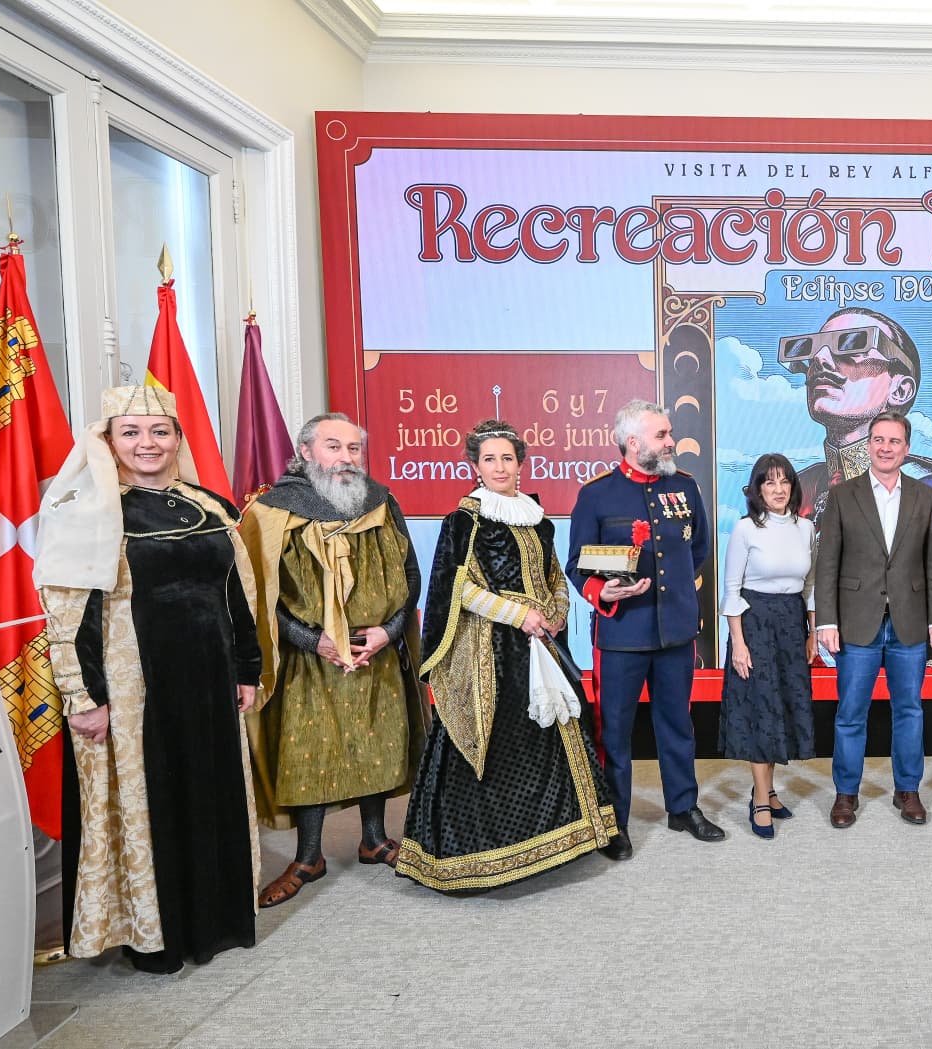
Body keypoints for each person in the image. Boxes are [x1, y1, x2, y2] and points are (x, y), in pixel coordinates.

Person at [35, 385, 260, 974]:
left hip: (209, 681)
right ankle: (157, 936)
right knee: (151, 803)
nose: (147, 443)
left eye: (159, 431)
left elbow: (237, 593)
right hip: (134, 688)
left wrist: (247, 668)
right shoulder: (90, 513)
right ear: (108, 441)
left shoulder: (209, 506)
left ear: (179, 440)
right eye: (130, 432)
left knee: (209, 791)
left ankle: (213, 920)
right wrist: (83, 697)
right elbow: (69, 614)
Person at [397, 420, 624, 891]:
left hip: (543, 642)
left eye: (507, 458)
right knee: (496, 741)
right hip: (492, 651)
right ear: (476, 467)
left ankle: (567, 837)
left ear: (521, 463)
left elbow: (553, 575)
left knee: (558, 733)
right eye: (489, 459)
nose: (500, 467)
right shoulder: (466, 518)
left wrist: (558, 611)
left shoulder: (535, 516)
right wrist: (518, 616)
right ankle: (482, 857)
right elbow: (458, 588)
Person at [239, 413, 428, 906]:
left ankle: (374, 839)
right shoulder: (272, 510)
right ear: (306, 451)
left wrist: (387, 633)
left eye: (353, 449)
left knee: (378, 745)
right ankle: (308, 857)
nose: (346, 458)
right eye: (333, 447)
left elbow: (410, 573)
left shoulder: (382, 502)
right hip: (312, 657)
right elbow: (259, 595)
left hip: (375, 654)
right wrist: (312, 639)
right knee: (311, 754)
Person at [566, 399, 724, 852]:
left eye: (669, 433)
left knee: (678, 723)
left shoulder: (686, 487)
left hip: (675, 630)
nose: (671, 441)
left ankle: (683, 807)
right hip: (621, 634)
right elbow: (578, 564)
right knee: (614, 731)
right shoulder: (596, 494)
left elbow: (697, 552)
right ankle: (614, 821)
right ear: (632, 442)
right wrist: (604, 593)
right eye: (661, 435)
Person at [815, 410, 932, 828]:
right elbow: (828, 563)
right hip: (855, 623)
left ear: (906, 448)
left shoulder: (925, 496)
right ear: (869, 444)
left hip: (910, 621)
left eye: (894, 441)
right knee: (851, 712)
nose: (885, 447)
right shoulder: (843, 494)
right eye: (878, 440)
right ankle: (845, 795)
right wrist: (826, 621)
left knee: (909, 710)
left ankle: (907, 790)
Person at [783, 307, 932, 536]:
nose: (820, 361)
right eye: (811, 351)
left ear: (900, 390)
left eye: (851, 345)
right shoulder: (797, 490)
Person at [718, 453, 817, 839]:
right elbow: (731, 590)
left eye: (784, 482)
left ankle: (769, 790)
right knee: (760, 710)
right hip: (755, 624)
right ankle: (760, 799)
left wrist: (811, 633)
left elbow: (808, 587)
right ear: (758, 489)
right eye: (769, 482)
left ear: (793, 486)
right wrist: (739, 644)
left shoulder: (806, 528)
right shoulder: (746, 529)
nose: (778, 490)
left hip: (792, 624)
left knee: (782, 709)